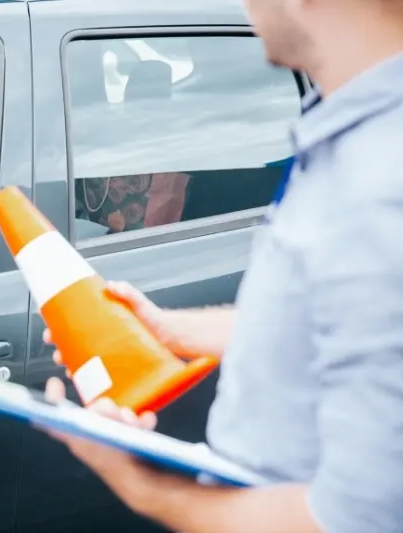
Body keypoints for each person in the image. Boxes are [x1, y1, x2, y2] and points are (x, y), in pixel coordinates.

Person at [42, 1, 403, 532]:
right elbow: (328, 321)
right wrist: (166, 329)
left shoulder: (382, 179)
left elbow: (355, 521)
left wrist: (147, 486)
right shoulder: (349, 135)